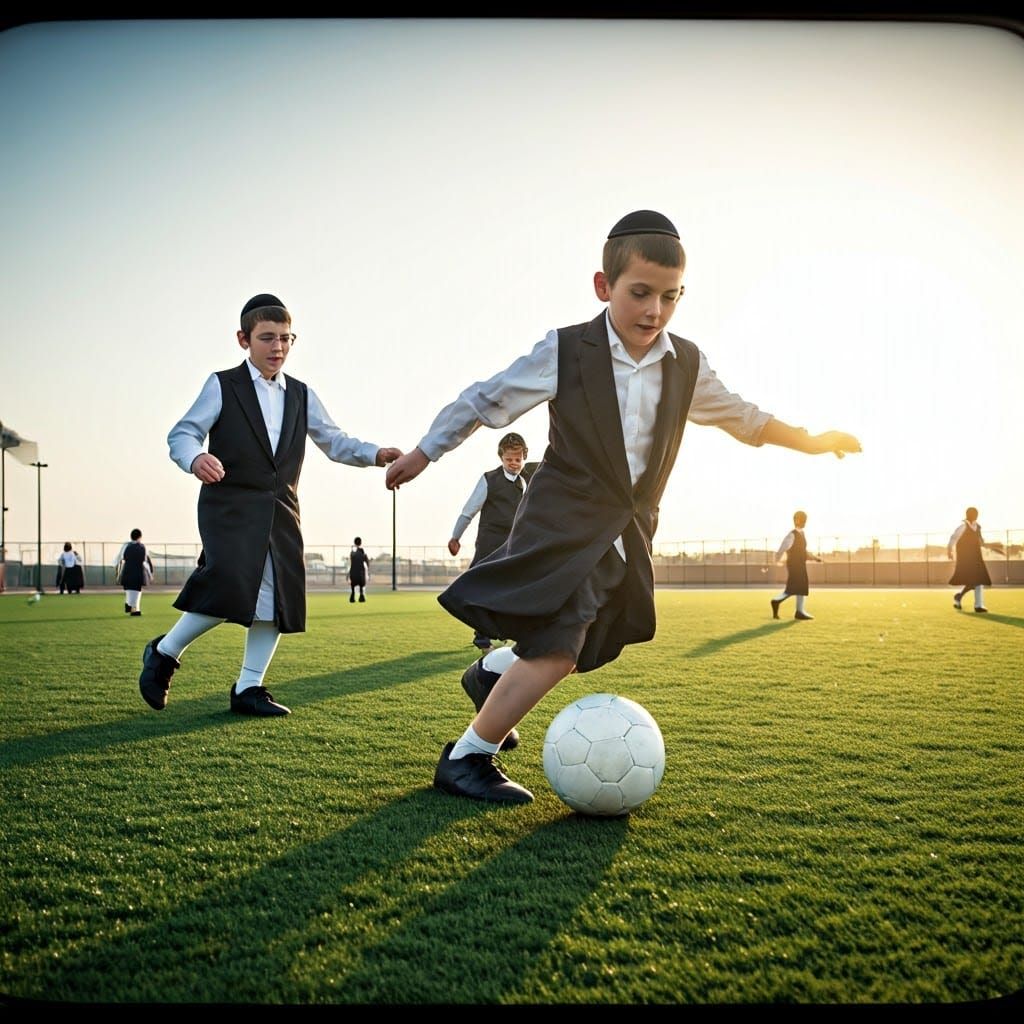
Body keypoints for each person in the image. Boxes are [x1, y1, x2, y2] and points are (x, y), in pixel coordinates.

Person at [386, 209, 862, 804]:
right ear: (603, 287)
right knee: (559, 649)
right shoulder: (564, 350)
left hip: (627, 532)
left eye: (670, 297)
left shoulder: (685, 363)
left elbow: (744, 417)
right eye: (640, 293)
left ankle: (491, 671)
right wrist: (425, 452)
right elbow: (485, 400)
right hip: (563, 523)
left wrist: (811, 440)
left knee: (587, 642)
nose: (654, 311)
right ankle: (466, 759)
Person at [137, 293, 401, 717]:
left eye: (285, 338)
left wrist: (375, 454)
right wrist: (196, 457)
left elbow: (335, 441)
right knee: (230, 583)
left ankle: (249, 689)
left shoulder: (301, 394)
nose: (277, 347)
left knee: (275, 596)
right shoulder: (222, 384)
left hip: (282, 508)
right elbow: (182, 434)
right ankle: (165, 653)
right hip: (229, 506)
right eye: (267, 338)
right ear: (244, 339)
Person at [447, 431, 538, 652]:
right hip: (490, 542)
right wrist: (455, 537)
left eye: (518, 459)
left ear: (524, 457)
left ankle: (506, 631)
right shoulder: (489, 479)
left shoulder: (528, 477)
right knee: (481, 587)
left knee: (515, 588)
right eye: (509, 459)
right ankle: (481, 638)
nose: (514, 464)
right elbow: (469, 511)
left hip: (514, 543)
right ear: (501, 458)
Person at [948, 506, 1002, 612]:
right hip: (965, 558)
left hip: (976, 557)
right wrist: (949, 550)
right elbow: (953, 538)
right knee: (974, 580)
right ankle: (963, 598)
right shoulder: (963, 527)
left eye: (976, 514)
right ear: (968, 515)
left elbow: (981, 542)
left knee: (979, 580)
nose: (975, 516)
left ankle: (976, 605)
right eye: (973, 513)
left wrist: (992, 546)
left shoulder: (978, 527)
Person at [770, 510, 822, 621]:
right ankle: (776, 601)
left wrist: (814, 558)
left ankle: (799, 611)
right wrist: (777, 560)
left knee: (800, 588)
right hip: (794, 566)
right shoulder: (792, 535)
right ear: (797, 520)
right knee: (793, 588)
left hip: (800, 565)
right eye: (803, 520)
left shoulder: (802, 534)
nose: (805, 522)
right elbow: (782, 548)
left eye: (805, 520)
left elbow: (803, 551)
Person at [116, 529, 152, 615]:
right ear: (140, 537)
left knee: (129, 589)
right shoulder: (142, 547)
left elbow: (119, 559)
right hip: (138, 571)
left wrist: (118, 572)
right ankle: (134, 608)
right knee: (137, 590)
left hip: (127, 570)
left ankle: (130, 605)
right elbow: (145, 562)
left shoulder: (126, 545)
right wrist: (150, 574)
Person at [348, 536, 370, 603]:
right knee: (361, 583)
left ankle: (352, 596)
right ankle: (361, 596)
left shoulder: (352, 552)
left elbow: (351, 561)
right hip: (360, 573)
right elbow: (366, 561)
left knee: (353, 584)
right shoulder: (362, 552)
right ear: (360, 543)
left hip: (353, 572)